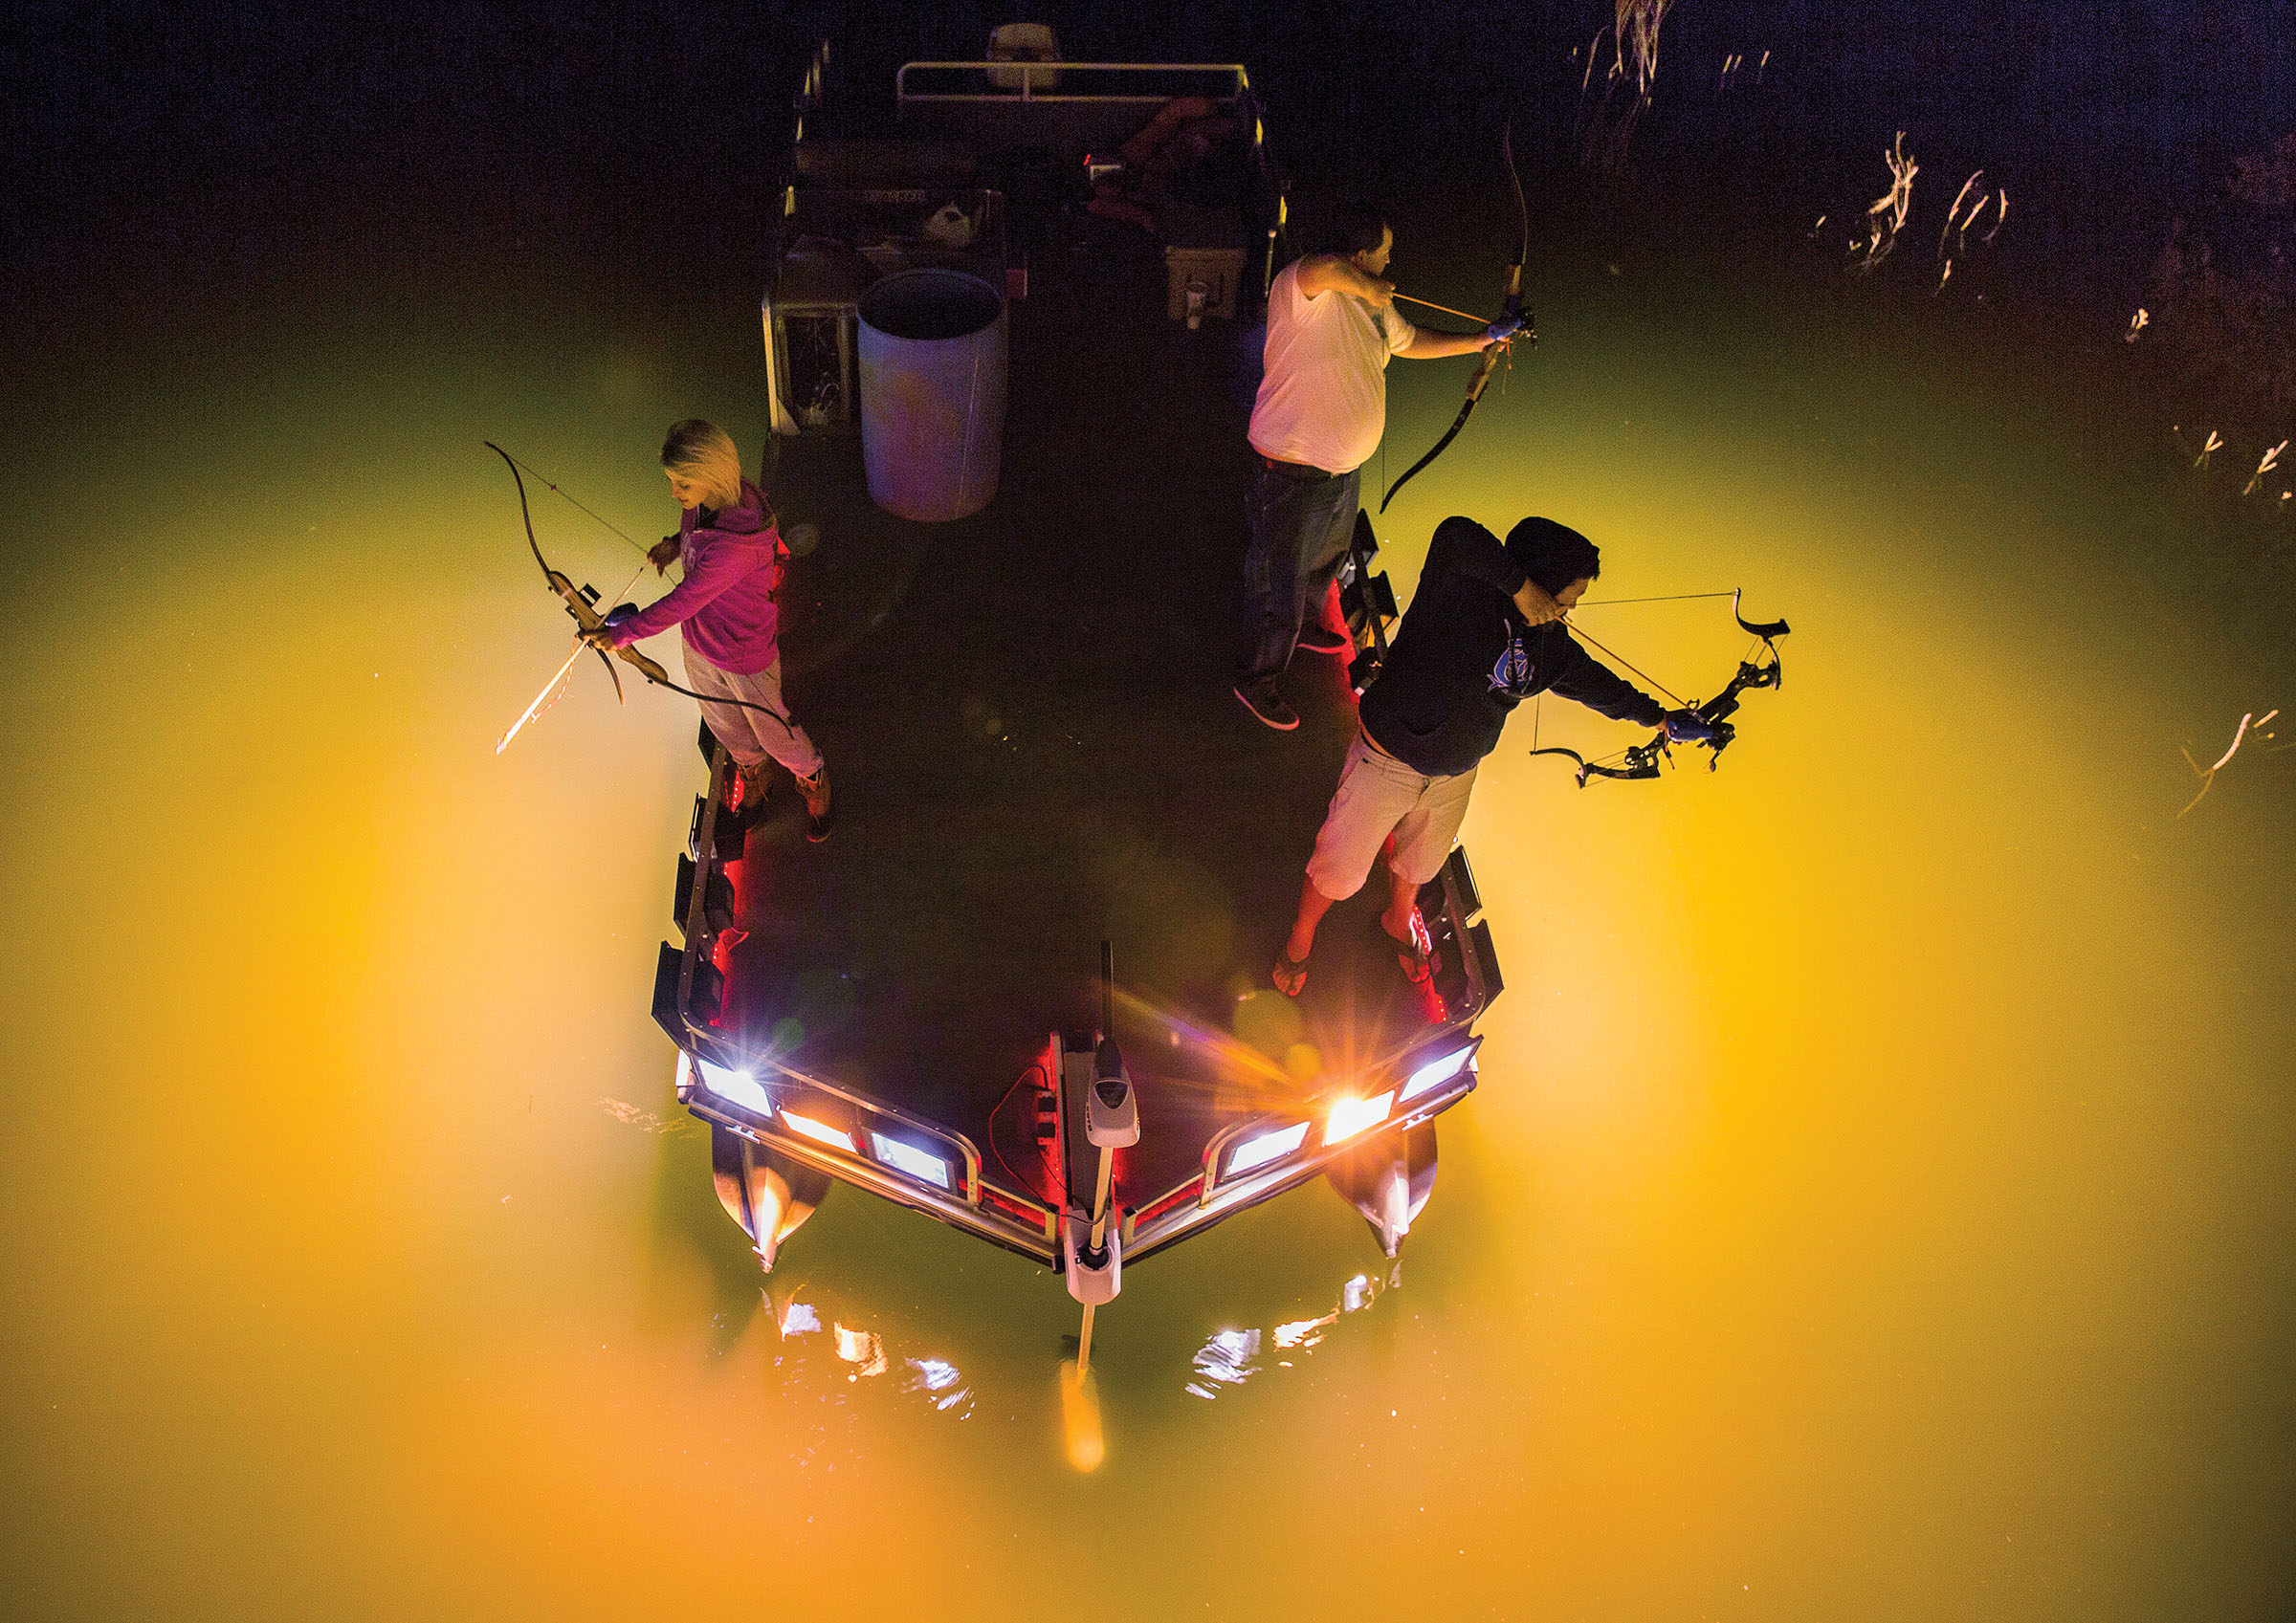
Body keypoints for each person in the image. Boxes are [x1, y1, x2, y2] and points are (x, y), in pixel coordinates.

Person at [1271, 515, 1718, 996]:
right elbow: (1454, 532)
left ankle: (1396, 921)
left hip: (1455, 775)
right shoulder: (1460, 587)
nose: (1571, 608)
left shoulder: (1550, 648)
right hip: (1386, 760)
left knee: (1422, 864)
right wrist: (1520, 588)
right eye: (1571, 594)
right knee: (1338, 871)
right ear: (1542, 582)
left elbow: (1602, 687)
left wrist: (1661, 719)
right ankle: (1301, 937)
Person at [1234, 201, 1544, 732]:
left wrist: (1484, 338)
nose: (1390, 264)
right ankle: (1258, 680)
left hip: (1340, 473)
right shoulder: (1303, 288)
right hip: (1292, 473)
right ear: (1357, 257)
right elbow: (1321, 268)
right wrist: (1364, 284)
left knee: (1324, 563)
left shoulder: (1373, 308)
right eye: (1384, 254)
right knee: (1281, 583)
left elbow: (1411, 342)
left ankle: (1307, 625)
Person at [589, 421, 833, 841]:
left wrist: (625, 633)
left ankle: (813, 777)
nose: (674, 493)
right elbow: (693, 535)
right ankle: (756, 778)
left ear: (709, 474)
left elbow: (684, 600)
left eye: (681, 484)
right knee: (725, 724)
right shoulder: (705, 501)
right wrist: (673, 542)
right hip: (700, 646)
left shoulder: (733, 547)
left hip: (744, 655)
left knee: (773, 731)